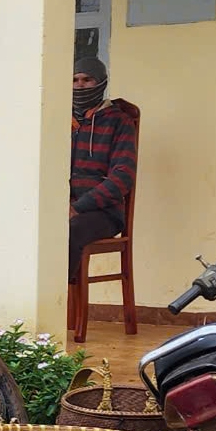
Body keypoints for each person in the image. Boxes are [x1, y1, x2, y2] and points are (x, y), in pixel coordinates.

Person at [67, 53, 138, 279]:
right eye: (75, 80)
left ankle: (61, 304)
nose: (80, 85)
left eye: (87, 80)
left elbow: (123, 177)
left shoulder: (119, 121)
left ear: (101, 83)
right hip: (61, 208)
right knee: (22, 228)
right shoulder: (59, 120)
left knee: (68, 232)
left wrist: (79, 207)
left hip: (103, 213)